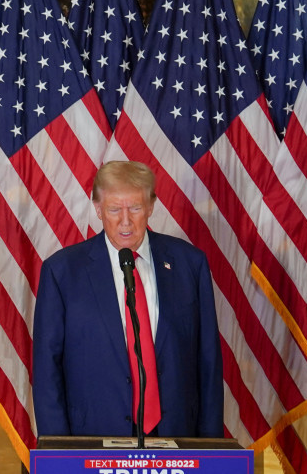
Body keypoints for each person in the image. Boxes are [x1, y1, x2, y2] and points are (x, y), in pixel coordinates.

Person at [32, 160, 223, 437]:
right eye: (113, 209)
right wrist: (59, 452)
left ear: (150, 206)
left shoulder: (189, 264)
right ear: (97, 209)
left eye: (135, 208)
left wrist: (210, 449)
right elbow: (47, 372)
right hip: (92, 440)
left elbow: (209, 363)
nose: (125, 221)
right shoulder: (62, 272)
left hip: (177, 437)